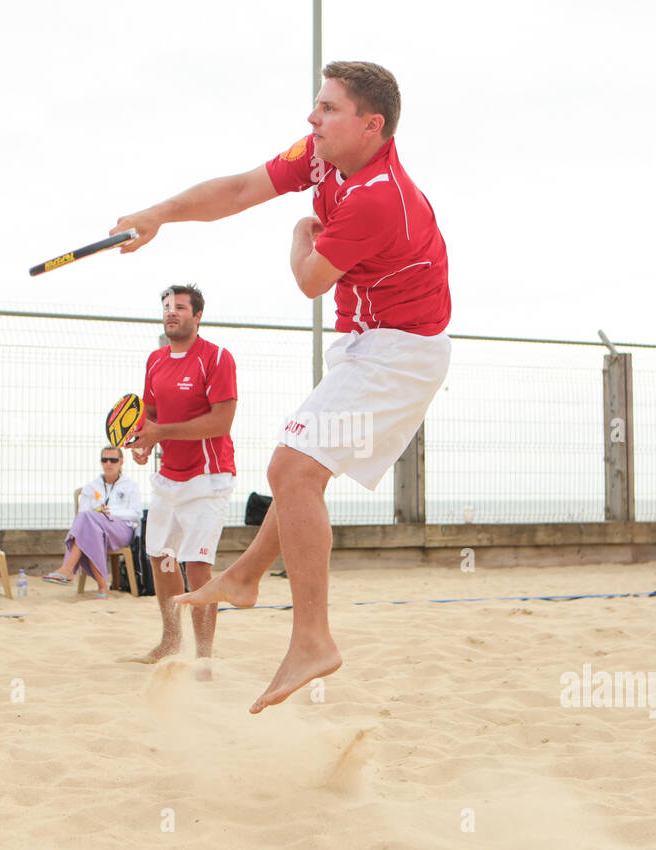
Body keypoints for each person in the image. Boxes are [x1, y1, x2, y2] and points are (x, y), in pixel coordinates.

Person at [112, 61, 451, 713]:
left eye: (328, 109)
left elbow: (311, 278)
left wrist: (300, 234)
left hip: (402, 352)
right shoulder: (322, 158)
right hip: (369, 344)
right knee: (302, 474)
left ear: (370, 125)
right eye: (316, 106)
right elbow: (240, 190)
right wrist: (159, 215)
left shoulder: (380, 194)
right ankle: (244, 576)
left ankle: (312, 638)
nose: (312, 119)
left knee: (290, 466)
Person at [119, 284, 237, 678]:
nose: (172, 312)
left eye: (181, 307)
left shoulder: (218, 358)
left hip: (208, 479)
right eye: (167, 307)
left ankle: (204, 658)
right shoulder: (155, 360)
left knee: (197, 565)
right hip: (168, 478)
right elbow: (149, 417)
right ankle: (171, 642)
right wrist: (141, 444)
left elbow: (220, 422)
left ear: (197, 315)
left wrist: (160, 433)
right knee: (161, 558)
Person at [42, 445, 142, 594]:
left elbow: (136, 514)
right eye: (105, 460)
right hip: (96, 530)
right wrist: (98, 513)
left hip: (121, 530)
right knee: (90, 526)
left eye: (113, 460)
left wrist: (110, 513)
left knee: (88, 522)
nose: (108, 463)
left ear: (121, 462)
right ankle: (101, 586)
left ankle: (68, 569)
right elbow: (83, 514)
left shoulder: (131, 485)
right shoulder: (91, 487)